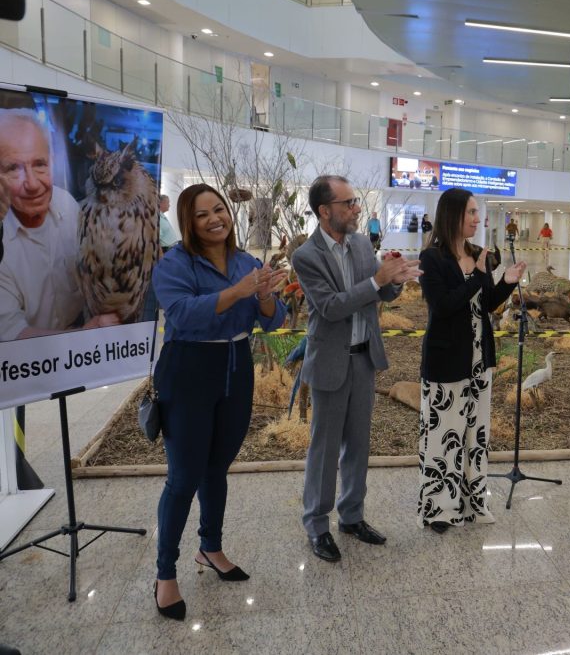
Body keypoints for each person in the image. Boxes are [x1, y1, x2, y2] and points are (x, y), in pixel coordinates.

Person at [151, 183, 288, 620]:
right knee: (184, 475)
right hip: (189, 369)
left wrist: (264, 294)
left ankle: (209, 547)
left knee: (217, 467)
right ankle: (164, 572)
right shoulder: (173, 264)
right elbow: (182, 314)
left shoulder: (246, 261)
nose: (215, 219)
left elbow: (272, 322)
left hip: (235, 368)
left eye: (219, 210)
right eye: (201, 214)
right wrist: (240, 290)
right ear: (187, 223)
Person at [293, 175, 421, 562]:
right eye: (348, 203)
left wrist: (394, 281)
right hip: (331, 361)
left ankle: (352, 517)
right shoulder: (306, 256)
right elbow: (331, 308)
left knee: (358, 446)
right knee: (324, 448)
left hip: (364, 359)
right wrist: (376, 280)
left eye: (355, 202)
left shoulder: (364, 243)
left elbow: (377, 294)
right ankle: (317, 524)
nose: (356, 208)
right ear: (324, 210)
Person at [416, 188, 526, 533]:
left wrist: (506, 282)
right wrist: (478, 276)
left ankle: (474, 502)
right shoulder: (431, 259)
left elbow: (485, 302)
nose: (478, 219)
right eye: (472, 213)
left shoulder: (479, 254)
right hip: (446, 361)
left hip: (480, 361)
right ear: (453, 216)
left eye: (478, 213)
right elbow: (445, 305)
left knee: (475, 437)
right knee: (443, 438)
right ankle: (438, 509)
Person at [0, 108, 119, 341]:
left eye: (40, 164)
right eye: (13, 168)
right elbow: (9, 333)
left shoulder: (65, 203)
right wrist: (78, 338)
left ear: (52, 161)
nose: (33, 184)